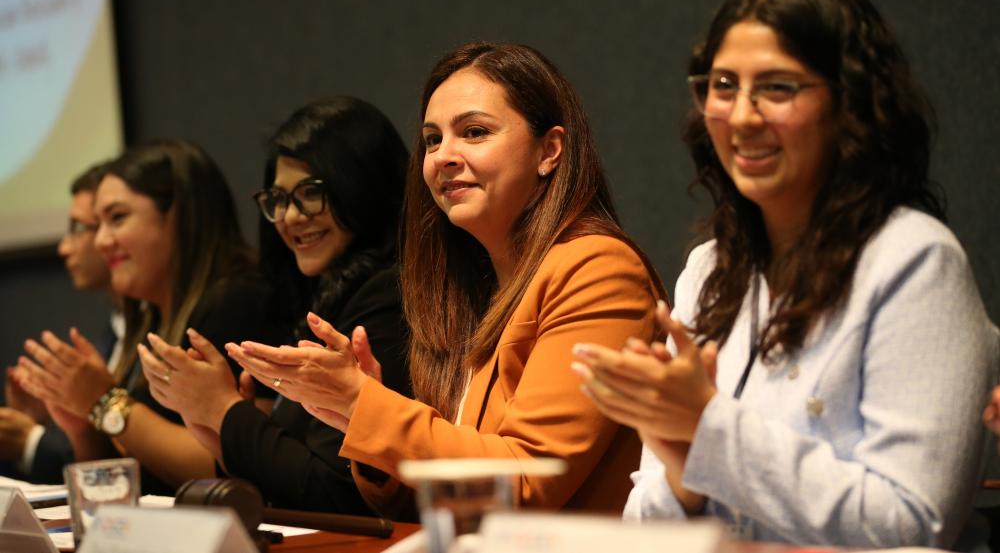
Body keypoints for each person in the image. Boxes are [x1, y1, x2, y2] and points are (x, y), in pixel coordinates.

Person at [572, 0, 999, 549]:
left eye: (777, 88)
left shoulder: (914, 261)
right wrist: (682, 474)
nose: (743, 117)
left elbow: (914, 525)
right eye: (723, 86)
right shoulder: (709, 269)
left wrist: (709, 429)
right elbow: (646, 532)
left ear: (849, 102)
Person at [227, 41, 661, 517]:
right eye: (433, 139)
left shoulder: (597, 268)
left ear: (549, 150)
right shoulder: (468, 285)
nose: (442, 156)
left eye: (474, 132)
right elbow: (434, 505)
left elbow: (524, 483)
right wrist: (360, 418)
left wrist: (364, 406)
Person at [135, 97, 411, 514]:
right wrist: (228, 433)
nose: (291, 217)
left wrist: (223, 410)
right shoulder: (322, 298)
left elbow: (336, 492)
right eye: (279, 199)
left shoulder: (388, 296)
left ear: (362, 189)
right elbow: (295, 478)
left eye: (311, 194)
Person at [14, 141, 284, 494]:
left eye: (117, 218)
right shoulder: (151, 316)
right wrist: (83, 428)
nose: (102, 241)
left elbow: (228, 470)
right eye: (98, 224)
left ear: (179, 217)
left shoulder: (240, 300)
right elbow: (123, 485)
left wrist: (105, 403)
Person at [0, 161, 123, 483]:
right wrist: (52, 414)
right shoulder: (117, 326)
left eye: (78, 228)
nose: (64, 247)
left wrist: (31, 441)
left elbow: (132, 464)